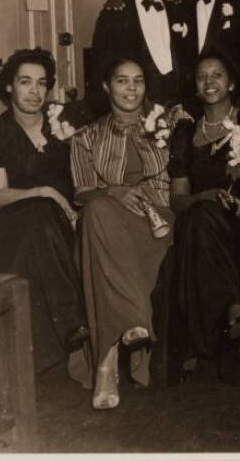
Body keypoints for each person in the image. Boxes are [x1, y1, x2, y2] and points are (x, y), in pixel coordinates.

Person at [169, 51, 240, 384]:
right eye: (202, 76)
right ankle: (232, 307)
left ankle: (209, 340)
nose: (209, 82)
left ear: (231, 82)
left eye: (217, 74)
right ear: (195, 85)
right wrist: (202, 198)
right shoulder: (185, 134)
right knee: (199, 217)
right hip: (202, 218)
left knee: (199, 223)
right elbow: (177, 200)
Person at [0, 48, 89, 376]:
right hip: (11, 219)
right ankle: (70, 323)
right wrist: (45, 191)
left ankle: (35, 352)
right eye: (25, 82)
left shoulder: (63, 123)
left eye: (41, 83)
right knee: (37, 215)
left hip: (64, 219)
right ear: (9, 86)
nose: (34, 91)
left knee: (41, 221)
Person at [71, 58, 176, 409]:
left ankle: (106, 362)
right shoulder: (86, 137)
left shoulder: (167, 127)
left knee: (99, 233)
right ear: (106, 86)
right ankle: (115, 349)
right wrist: (112, 192)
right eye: (121, 80)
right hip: (107, 217)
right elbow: (82, 192)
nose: (131, 88)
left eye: (138, 81)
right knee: (98, 212)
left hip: (155, 221)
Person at [89, 0, 192, 115]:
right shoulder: (114, 16)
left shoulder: (179, 12)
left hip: (179, 116)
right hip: (134, 117)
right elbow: (101, 74)